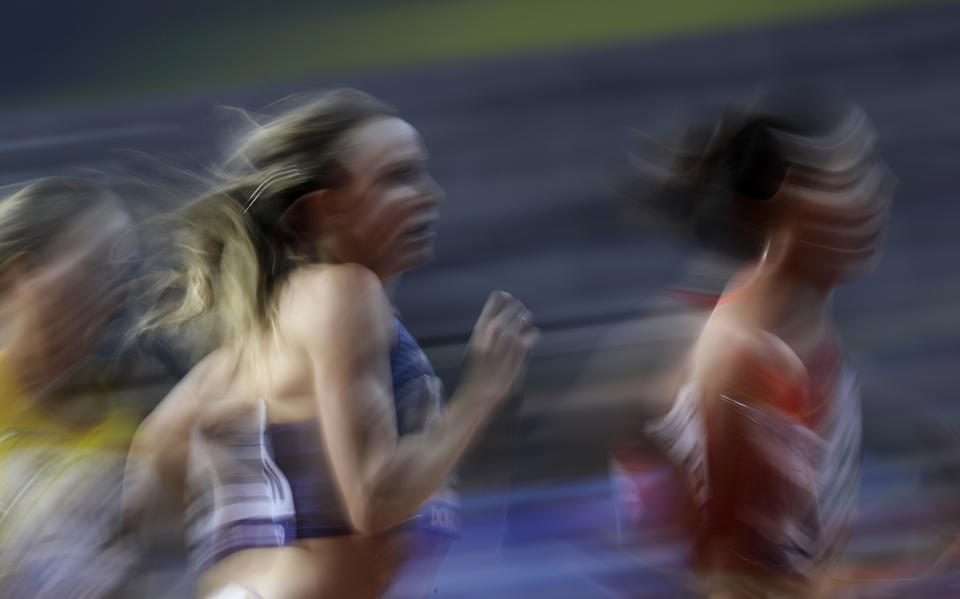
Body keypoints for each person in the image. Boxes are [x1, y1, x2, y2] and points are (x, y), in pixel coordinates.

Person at [124, 89, 538, 599]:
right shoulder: (342, 292)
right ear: (324, 208)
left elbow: (154, 454)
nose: (431, 194)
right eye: (397, 177)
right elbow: (375, 498)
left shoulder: (247, 346)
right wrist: (481, 393)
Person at [613, 88, 894, 598]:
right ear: (782, 202)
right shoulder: (743, 361)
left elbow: (799, 564)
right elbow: (734, 577)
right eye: (848, 180)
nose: (878, 194)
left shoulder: (809, 341)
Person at [0, 177, 141, 598]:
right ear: (22, 274)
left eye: (124, 275)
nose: (116, 295)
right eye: (97, 268)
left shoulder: (125, 424)